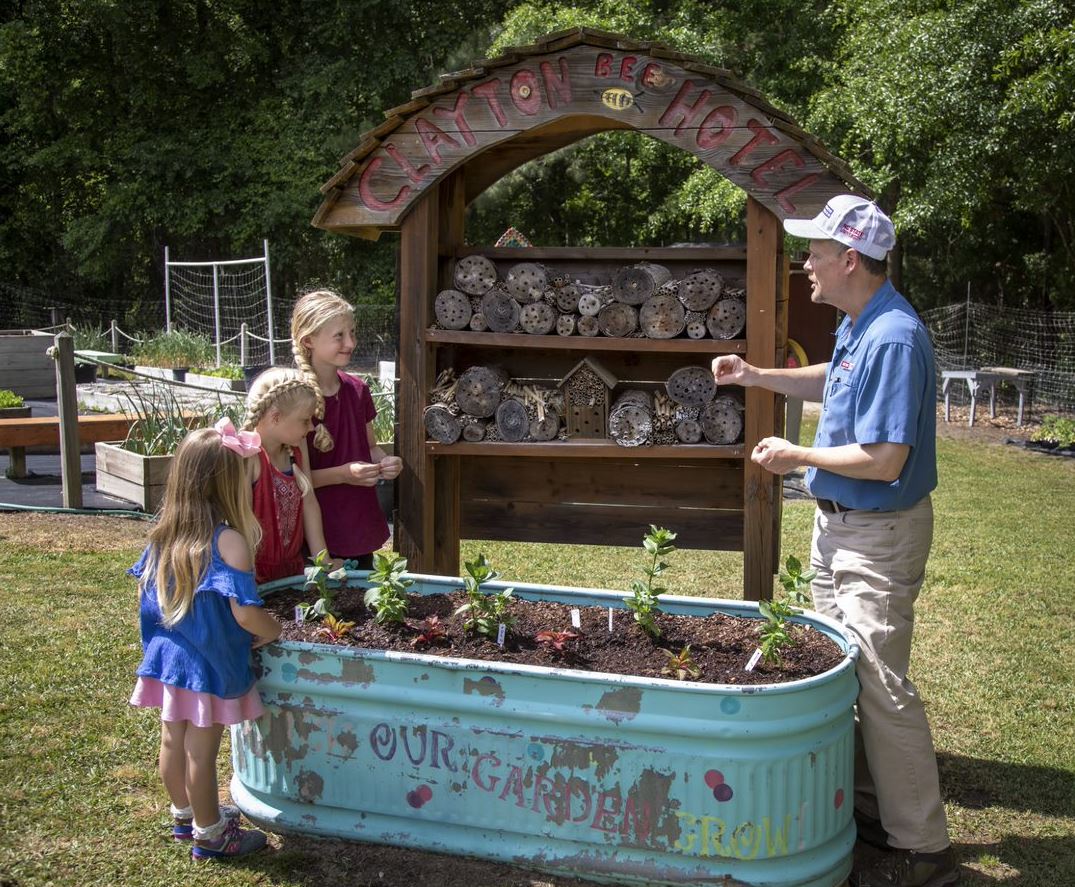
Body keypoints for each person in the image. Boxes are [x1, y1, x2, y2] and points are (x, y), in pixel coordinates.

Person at [712, 195, 959, 887]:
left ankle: (924, 848)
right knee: (850, 673)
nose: (806, 264)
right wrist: (758, 375)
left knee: (881, 684)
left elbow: (883, 459)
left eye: (815, 252)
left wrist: (799, 455)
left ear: (849, 258)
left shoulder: (893, 336)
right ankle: (876, 807)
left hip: (875, 536)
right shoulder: (862, 323)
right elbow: (833, 380)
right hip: (842, 529)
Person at [128, 420, 281, 861]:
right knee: (202, 748)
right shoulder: (228, 541)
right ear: (228, 485)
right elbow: (246, 612)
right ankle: (211, 832)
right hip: (208, 663)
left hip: (169, 656)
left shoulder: (164, 535)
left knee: (171, 741)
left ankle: (183, 815)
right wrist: (275, 631)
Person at [290, 289, 402, 568]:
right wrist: (343, 474)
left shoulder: (357, 389)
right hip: (314, 533)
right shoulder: (293, 398)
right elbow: (292, 479)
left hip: (358, 523)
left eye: (352, 332)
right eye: (339, 335)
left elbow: (371, 447)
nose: (350, 342)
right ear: (308, 341)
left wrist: (387, 463)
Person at [243, 367, 337, 582]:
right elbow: (243, 522)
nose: (311, 427)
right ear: (275, 417)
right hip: (256, 573)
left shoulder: (295, 450)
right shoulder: (249, 457)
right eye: (305, 420)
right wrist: (246, 575)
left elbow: (309, 503)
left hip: (291, 570)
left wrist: (323, 561)